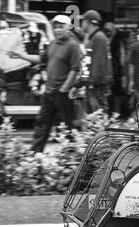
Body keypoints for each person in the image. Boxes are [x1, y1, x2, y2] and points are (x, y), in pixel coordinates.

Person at [8, 15, 81, 153]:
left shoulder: (73, 45)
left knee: (66, 127)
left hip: (62, 94)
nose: (58, 30)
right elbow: (41, 59)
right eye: (56, 27)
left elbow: (75, 69)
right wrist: (21, 55)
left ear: (68, 27)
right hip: (48, 93)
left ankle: (71, 157)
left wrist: (64, 89)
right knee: (42, 124)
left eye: (61, 27)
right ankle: (35, 154)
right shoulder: (53, 44)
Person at [80, 10, 113, 114]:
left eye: (83, 21)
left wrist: (92, 83)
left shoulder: (99, 38)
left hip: (96, 85)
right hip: (94, 84)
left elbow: (99, 63)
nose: (82, 24)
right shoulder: (95, 37)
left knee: (98, 115)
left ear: (88, 22)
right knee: (93, 116)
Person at [103, 22, 129, 117]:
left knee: (116, 94)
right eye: (105, 30)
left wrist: (121, 71)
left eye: (109, 30)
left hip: (116, 72)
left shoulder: (118, 41)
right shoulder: (105, 40)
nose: (107, 33)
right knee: (110, 94)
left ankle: (116, 114)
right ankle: (110, 114)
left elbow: (122, 57)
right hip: (109, 71)